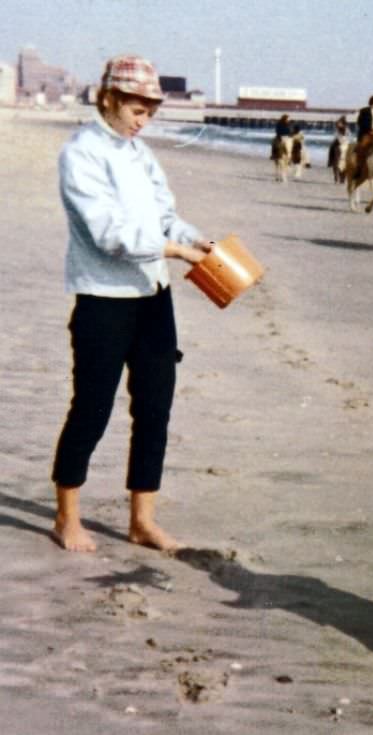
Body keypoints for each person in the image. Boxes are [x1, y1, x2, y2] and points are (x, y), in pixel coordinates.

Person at [51, 55, 213, 553]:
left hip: (152, 296)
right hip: (103, 298)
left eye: (152, 107)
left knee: (155, 407)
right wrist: (174, 250)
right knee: (93, 407)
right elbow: (108, 234)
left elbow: (165, 215)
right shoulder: (81, 152)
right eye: (137, 106)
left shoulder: (140, 153)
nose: (145, 116)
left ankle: (142, 519)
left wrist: (197, 241)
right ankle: (66, 518)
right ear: (110, 99)